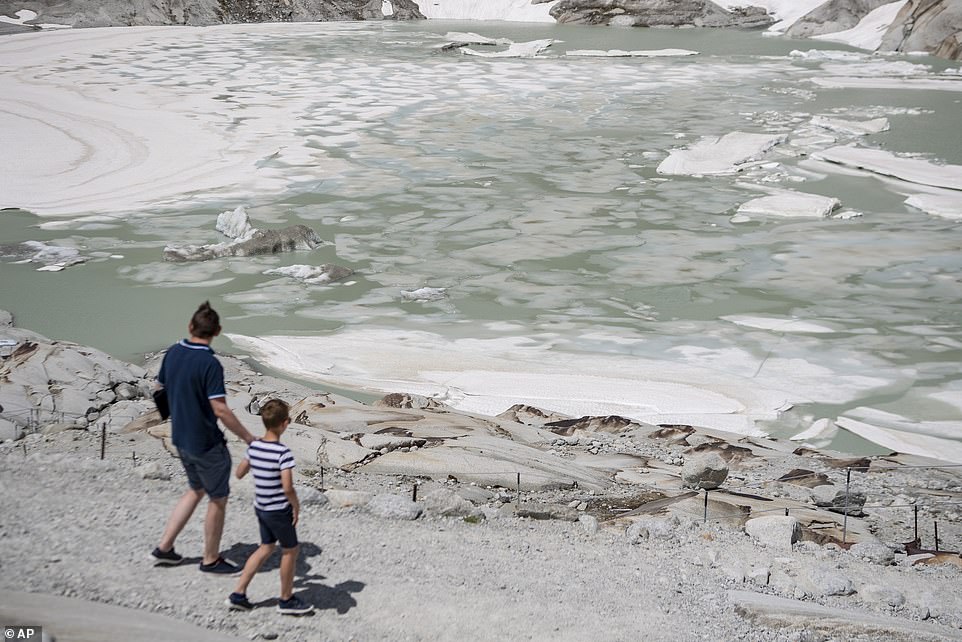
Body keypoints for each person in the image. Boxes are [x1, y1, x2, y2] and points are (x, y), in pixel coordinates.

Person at [150, 301, 255, 574]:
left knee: (195, 490)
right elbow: (219, 408)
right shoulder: (210, 364)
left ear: (190, 327)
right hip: (206, 443)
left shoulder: (173, 352)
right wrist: (248, 438)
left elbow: (159, 388)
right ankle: (210, 559)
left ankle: (164, 547)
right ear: (217, 331)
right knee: (217, 498)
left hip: (181, 438)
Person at [226, 399, 314, 615]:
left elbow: (239, 473)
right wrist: (296, 506)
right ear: (284, 424)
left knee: (265, 547)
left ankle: (239, 593)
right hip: (278, 509)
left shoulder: (255, 446)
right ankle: (286, 599)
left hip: (261, 507)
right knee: (290, 551)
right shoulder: (282, 453)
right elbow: (287, 487)